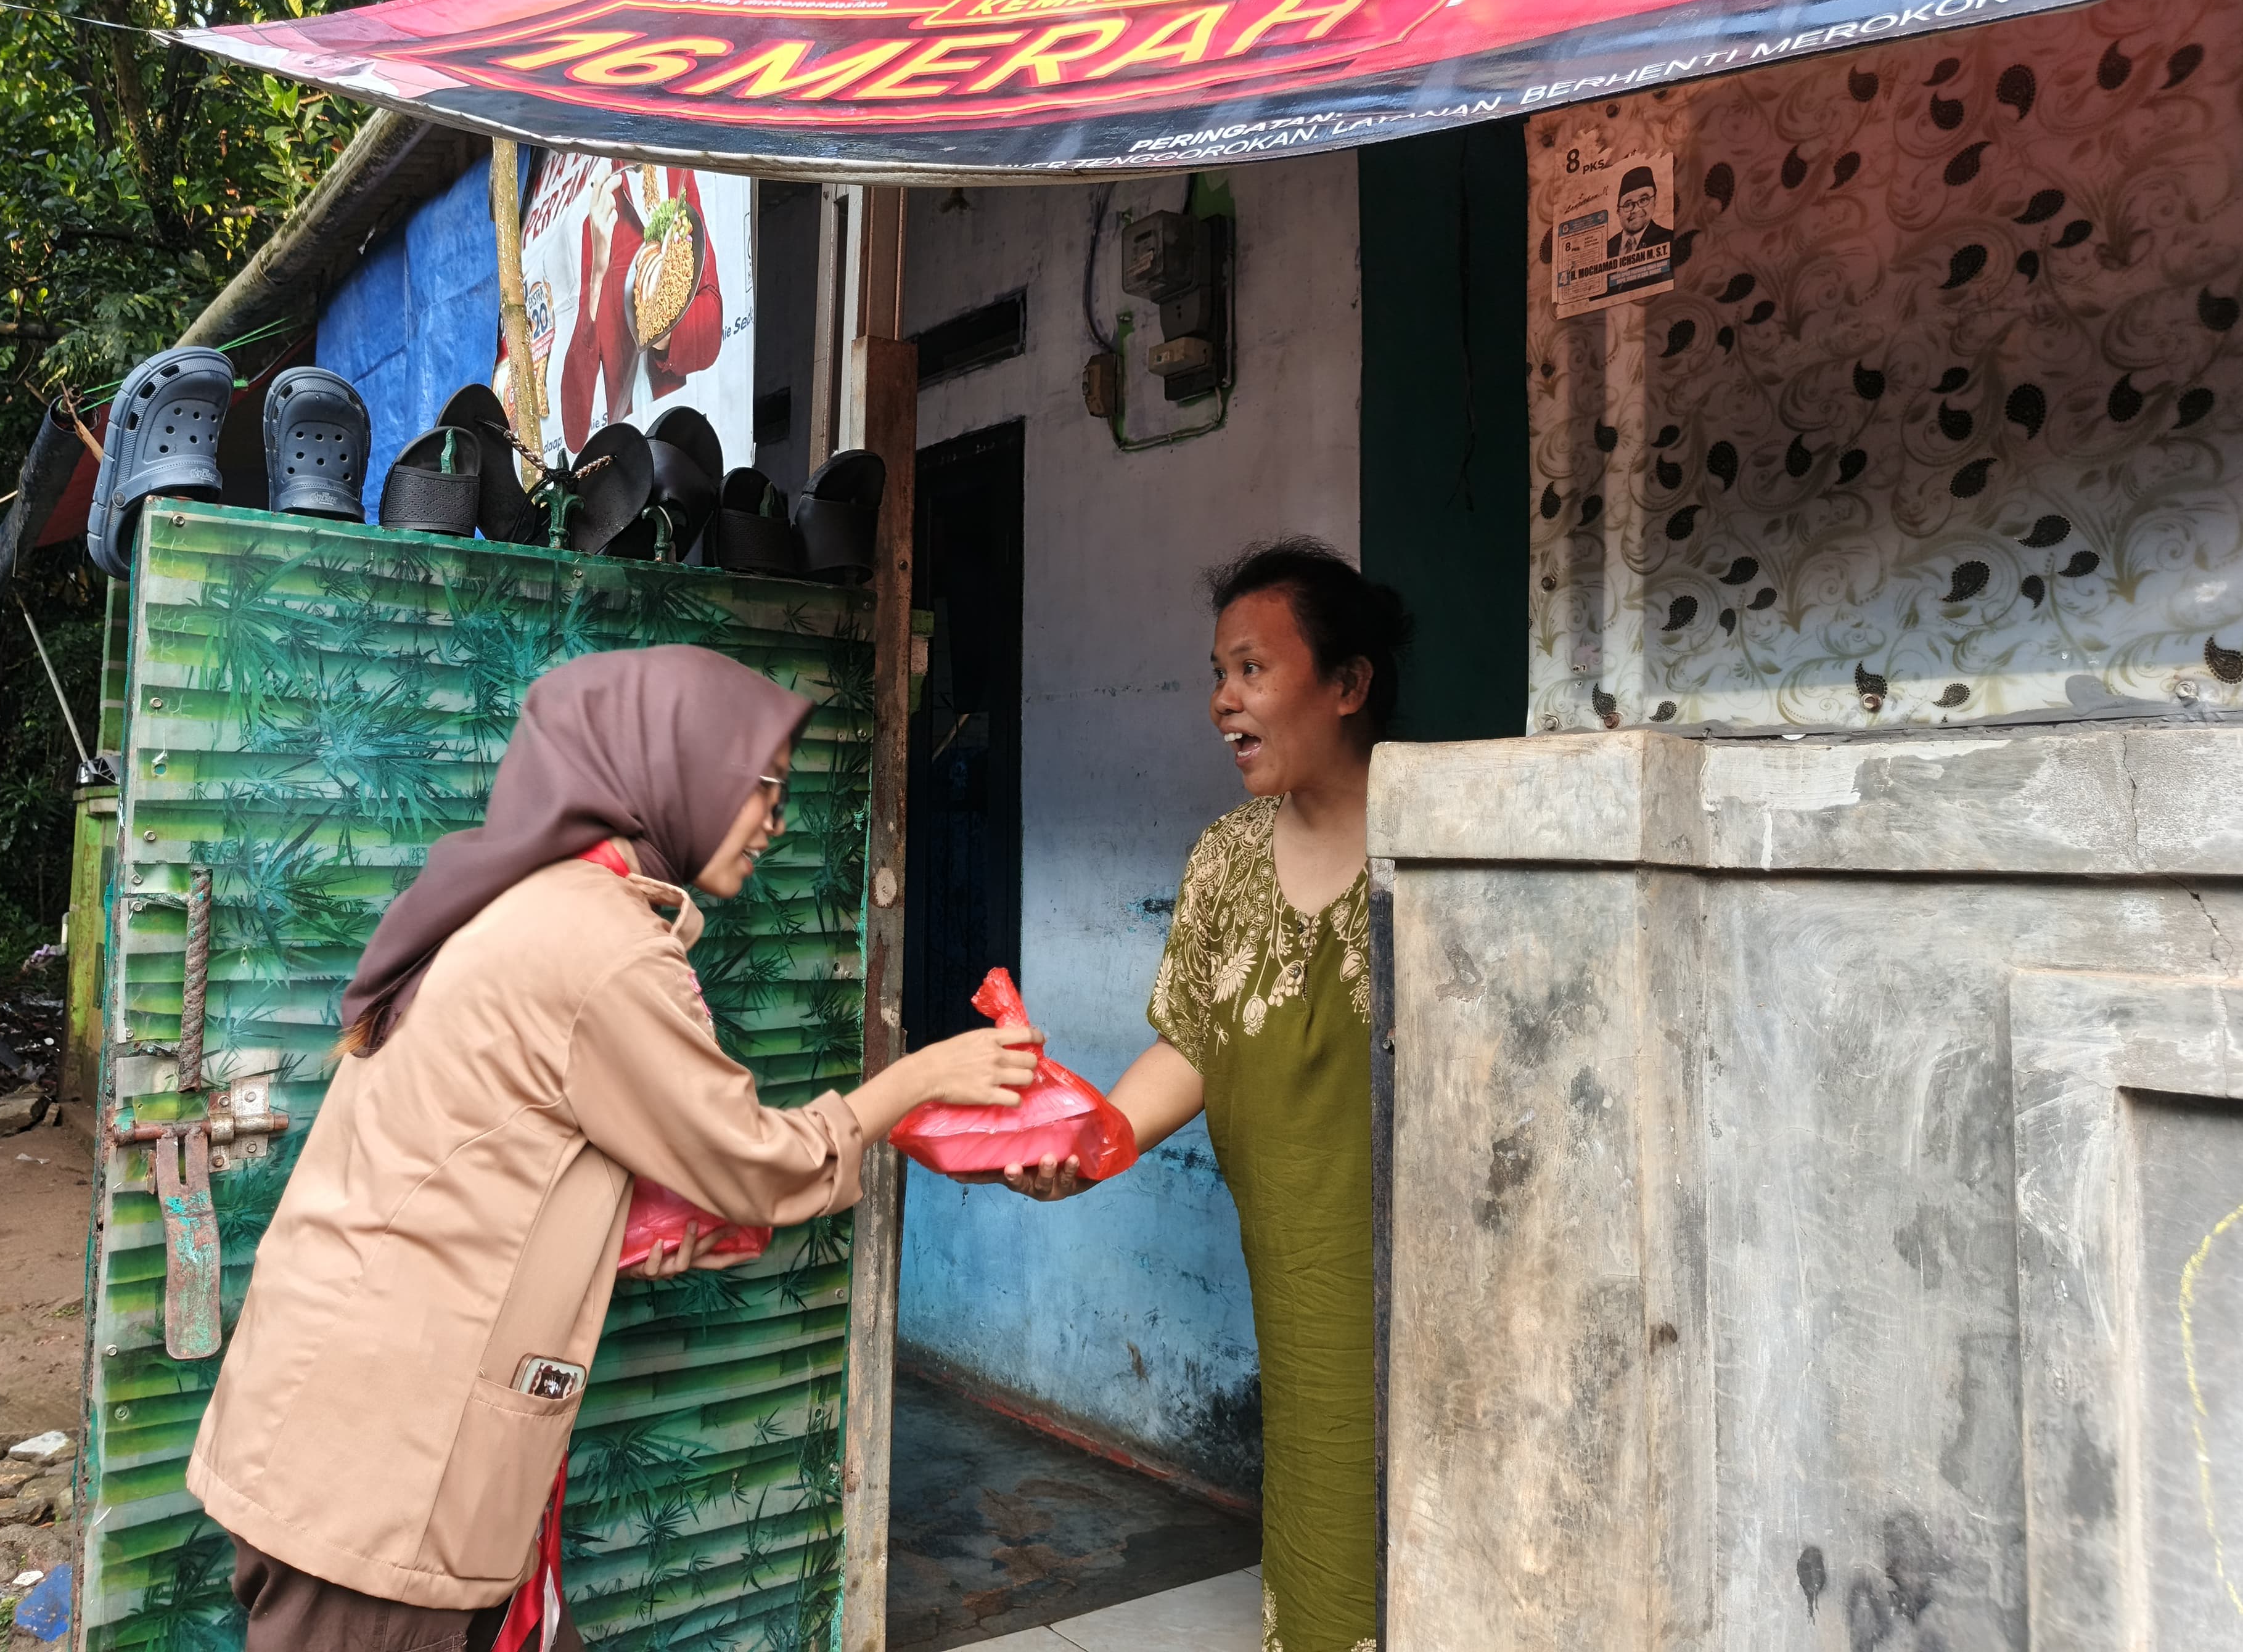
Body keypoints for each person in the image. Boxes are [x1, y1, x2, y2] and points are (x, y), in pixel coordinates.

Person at [187, 646, 1039, 1652]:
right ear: (667, 772)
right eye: (758, 785)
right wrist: (916, 1081)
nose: (776, 818)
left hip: (361, 1422)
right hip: (388, 1460)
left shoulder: (538, 908)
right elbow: (757, 1162)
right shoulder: (597, 946)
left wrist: (630, 1237)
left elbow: (497, 1157)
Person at [993, 539, 1407, 1652]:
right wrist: (1096, 1138)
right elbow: (1198, 1040)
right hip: (1303, 1290)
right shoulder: (1225, 859)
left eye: (1253, 671)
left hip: (1438, 1296)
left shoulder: (1443, 846)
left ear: (1349, 685)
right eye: (1217, 674)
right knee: (1326, 1546)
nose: (1223, 701)